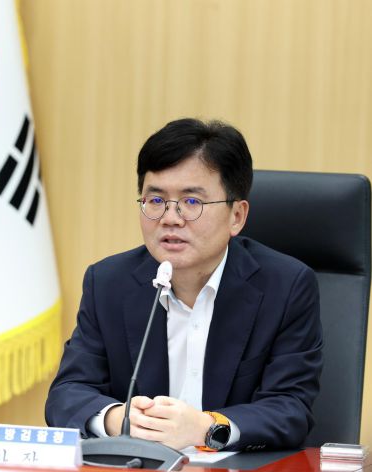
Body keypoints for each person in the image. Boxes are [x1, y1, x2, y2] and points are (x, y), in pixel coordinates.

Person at [45, 118, 323, 452]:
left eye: (192, 202)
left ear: (236, 216)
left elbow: (290, 408)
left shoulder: (286, 286)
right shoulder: (108, 282)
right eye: (155, 200)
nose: (170, 218)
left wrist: (206, 428)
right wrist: (118, 419)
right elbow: (67, 393)